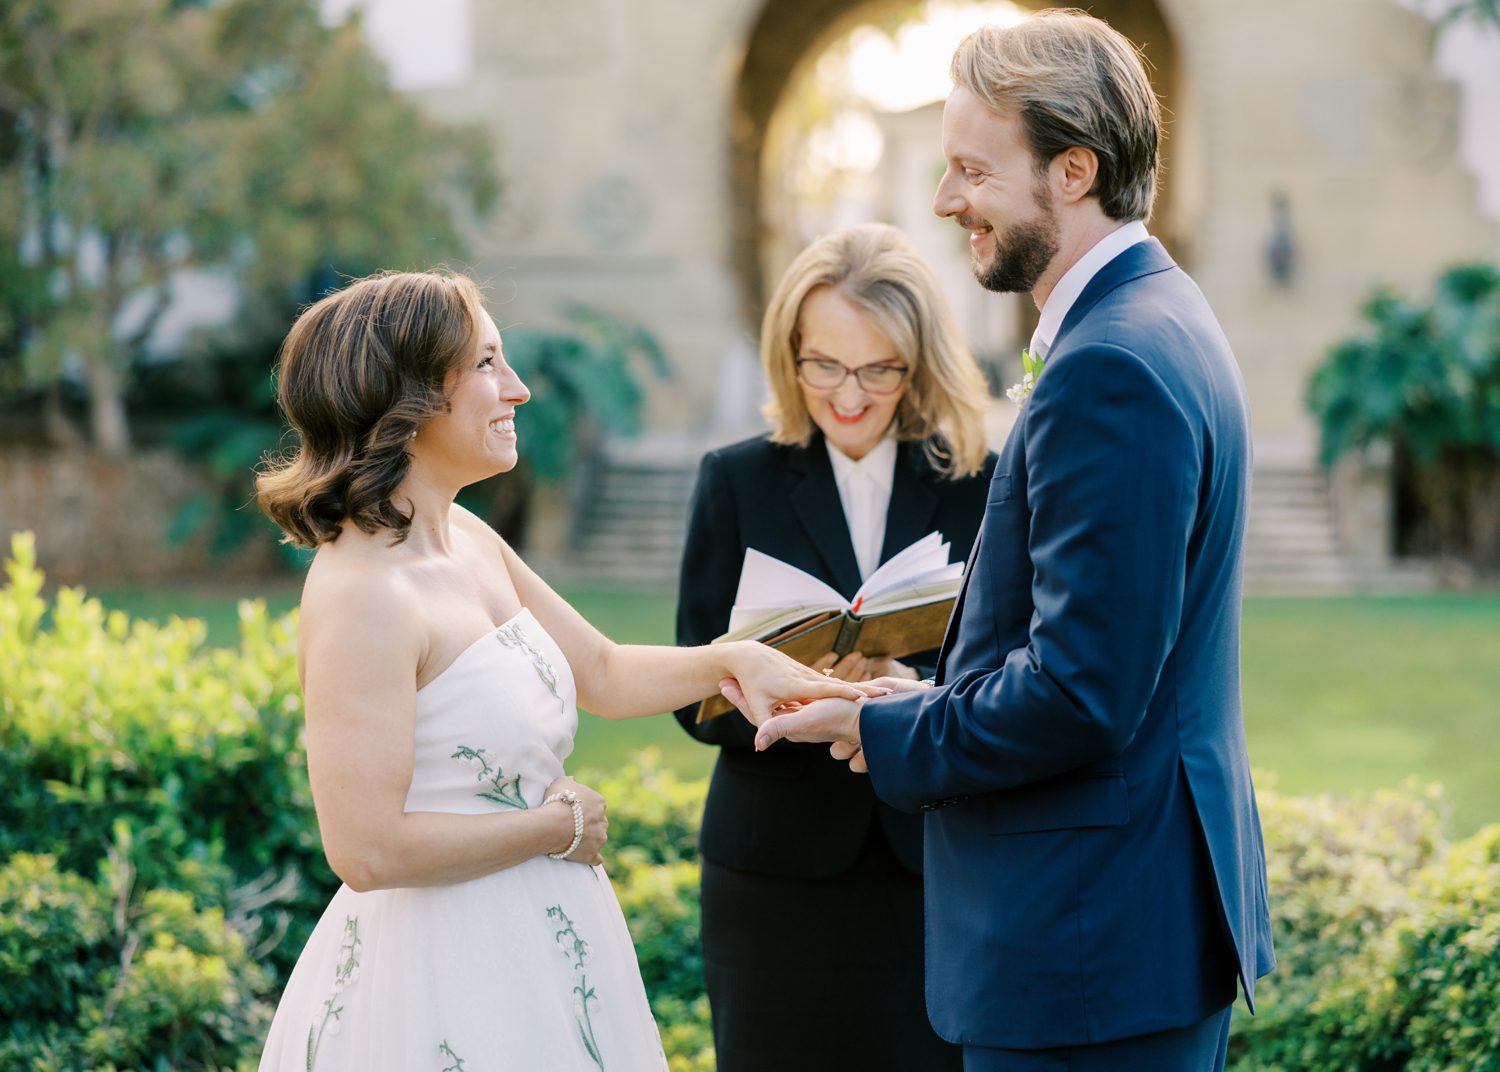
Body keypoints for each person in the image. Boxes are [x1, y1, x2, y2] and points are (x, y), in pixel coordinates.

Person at [740, 11, 1276, 1072]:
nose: (946, 202)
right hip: (1123, 927)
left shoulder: (1109, 364)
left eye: (973, 171)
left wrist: (890, 733)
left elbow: (1084, 690)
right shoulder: (1155, 315)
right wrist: (923, 699)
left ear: (1072, 170)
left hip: (1089, 950)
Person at [252, 270, 864, 1071]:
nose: (520, 389)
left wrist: (737, 661)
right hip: (440, 974)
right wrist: (557, 827)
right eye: (487, 364)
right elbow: (365, 849)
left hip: (548, 942)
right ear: (407, 395)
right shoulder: (362, 593)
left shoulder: (467, 538)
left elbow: (602, 671)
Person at [675, 222, 994, 1071]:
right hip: (771, 875)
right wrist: (788, 696)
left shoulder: (984, 485)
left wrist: (904, 683)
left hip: (931, 865)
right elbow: (688, 685)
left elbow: (1012, 673)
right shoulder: (734, 480)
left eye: (878, 369)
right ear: (791, 352)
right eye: (824, 364)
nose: (848, 393)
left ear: (917, 364)